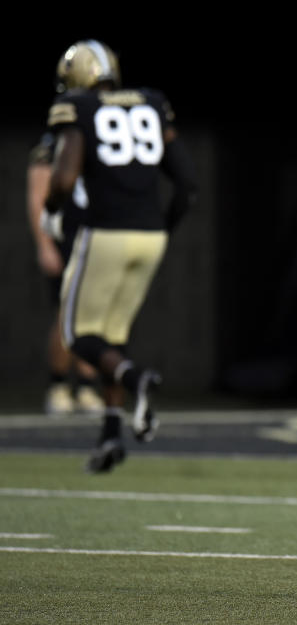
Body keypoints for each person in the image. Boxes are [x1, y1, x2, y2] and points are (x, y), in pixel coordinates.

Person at [39, 39, 197, 473]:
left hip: (105, 233)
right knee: (112, 335)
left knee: (76, 333)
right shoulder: (150, 102)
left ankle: (134, 378)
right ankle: (111, 433)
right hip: (150, 237)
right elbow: (186, 182)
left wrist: (51, 212)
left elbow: (64, 178)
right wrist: (163, 227)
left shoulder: (77, 107)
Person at [26, 130, 105, 417]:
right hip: (66, 237)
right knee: (67, 313)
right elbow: (38, 197)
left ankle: (86, 385)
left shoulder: (100, 139)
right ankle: (58, 385)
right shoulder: (50, 145)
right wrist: (44, 245)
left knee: (94, 316)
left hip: (96, 237)